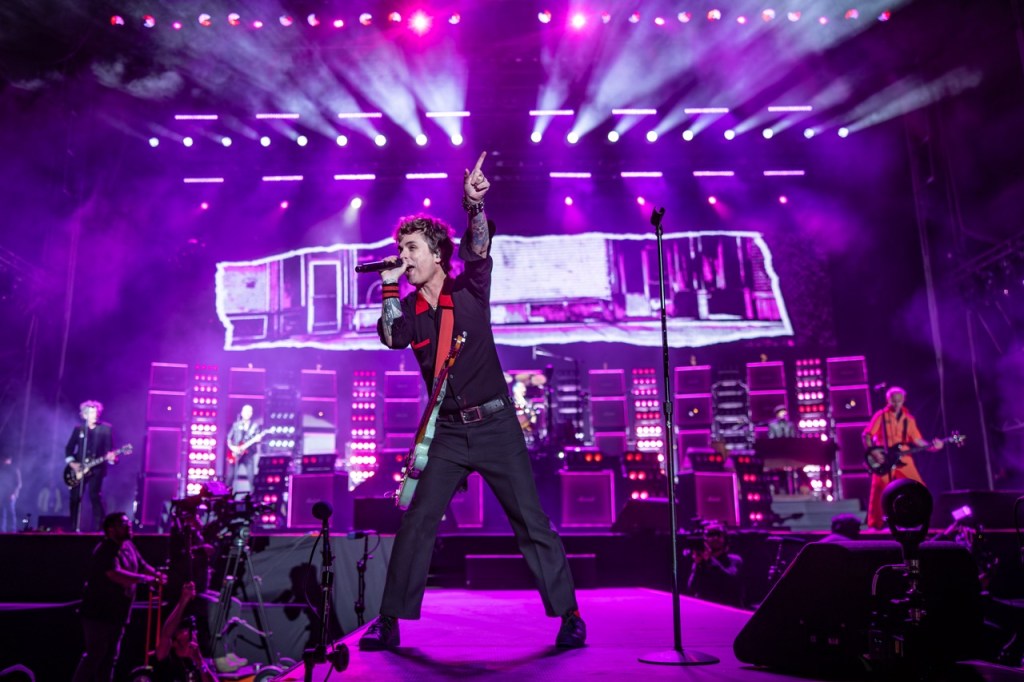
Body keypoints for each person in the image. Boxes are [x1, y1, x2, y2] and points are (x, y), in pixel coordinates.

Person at [359, 153, 585, 650]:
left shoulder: (470, 289)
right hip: (449, 433)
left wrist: (473, 205)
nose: (404, 254)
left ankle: (568, 614)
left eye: (412, 248)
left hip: (498, 427)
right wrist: (391, 283)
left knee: (530, 520)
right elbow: (392, 336)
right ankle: (390, 620)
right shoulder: (412, 312)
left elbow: (478, 246)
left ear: (437, 253)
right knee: (417, 520)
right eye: (400, 248)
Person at [72, 512, 167, 682]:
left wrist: (158, 575)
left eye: (128, 523)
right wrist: (145, 579)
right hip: (98, 614)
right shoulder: (105, 550)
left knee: (110, 658)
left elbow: (141, 564)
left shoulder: (128, 545)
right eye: (123, 524)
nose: (128, 526)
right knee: (95, 655)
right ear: (110, 529)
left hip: (118, 614)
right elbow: (114, 573)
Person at [861, 386, 944, 530]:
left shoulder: (909, 419)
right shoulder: (881, 415)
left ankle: (918, 519)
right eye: (893, 401)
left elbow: (918, 440)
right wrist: (873, 452)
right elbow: (866, 435)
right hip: (884, 457)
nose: (896, 404)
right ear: (888, 400)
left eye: (899, 401)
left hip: (904, 457)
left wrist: (933, 446)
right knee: (879, 488)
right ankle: (876, 525)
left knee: (918, 487)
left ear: (904, 400)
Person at [65, 400, 116, 532]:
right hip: (79, 468)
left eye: (96, 412)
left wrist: (112, 458)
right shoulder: (79, 429)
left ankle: (100, 528)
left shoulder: (106, 429)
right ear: (84, 415)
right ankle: (73, 527)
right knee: (75, 496)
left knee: (94, 495)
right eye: (91, 412)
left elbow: (110, 451)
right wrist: (73, 464)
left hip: (97, 468)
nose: (94, 415)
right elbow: (69, 448)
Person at [153, 581, 219, 682]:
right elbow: (166, 634)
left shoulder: (203, 660)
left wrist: (200, 662)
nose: (193, 633)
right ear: (175, 642)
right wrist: (183, 600)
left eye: (193, 630)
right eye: (185, 630)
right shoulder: (166, 656)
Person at [686, 522, 744, 607]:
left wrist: (710, 559)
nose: (715, 538)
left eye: (718, 535)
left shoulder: (734, 560)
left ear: (725, 539)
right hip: (706, 609)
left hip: (729, 609)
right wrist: (698, 564)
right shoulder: (702, 561)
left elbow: (730, 581)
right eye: (711, 535)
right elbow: (691, 589)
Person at [225, 405, 263, 491]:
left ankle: (252, 498)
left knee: (251, 477)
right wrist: (233, 448)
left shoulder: (254, 426)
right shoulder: (236, 425)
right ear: (242, 413)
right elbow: (228, 438)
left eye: (249, 411)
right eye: (245, 411)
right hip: (236, 454)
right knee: (230, 477)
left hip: (248, 454)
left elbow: (258, 439)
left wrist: (258, 439)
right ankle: (226, 497)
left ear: (252, 413)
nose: (247, 413)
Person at [0, 454, 21, 533]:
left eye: (6, 460)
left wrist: (13, 494)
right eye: (3, 460)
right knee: (2, 513)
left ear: (10, 460)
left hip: (11, 495)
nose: (4, 461)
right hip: (3, 495)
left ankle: (13, 530)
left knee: (11, 512)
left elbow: (18, 484)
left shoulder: (14, 469)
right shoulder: (2, 469)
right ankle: (2, 530)